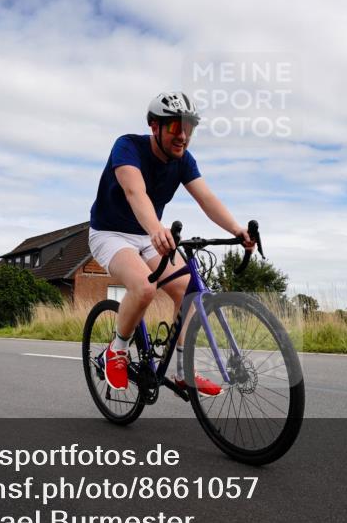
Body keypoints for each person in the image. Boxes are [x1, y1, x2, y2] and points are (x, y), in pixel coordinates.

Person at [88, 92, 255, 395]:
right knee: (144, 287)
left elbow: (206, 198)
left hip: (148, 235)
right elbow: (134, 192)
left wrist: (237, 229)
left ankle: (182, 370)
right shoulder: (127, 146)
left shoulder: (184, 161)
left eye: (189, 128)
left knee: (189, 289)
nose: (183, 136)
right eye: (175, 128)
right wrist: (155, 228)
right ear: (155, 127)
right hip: (110, 233)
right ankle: (117, 349)